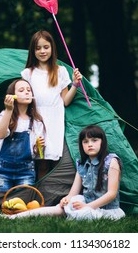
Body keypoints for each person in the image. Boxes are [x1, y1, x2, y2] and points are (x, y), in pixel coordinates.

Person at [0, 125, 125, 220]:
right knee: (61, 207)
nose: (90, 144)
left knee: (83, 213)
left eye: (94, 140)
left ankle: (79, 214)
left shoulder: (111, 161)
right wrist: (67, 199)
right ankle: (11, 217)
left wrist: (87, 207)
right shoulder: (83, 164)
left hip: (106, 210)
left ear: (102, 142)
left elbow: (112, 194)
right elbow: (73, 193)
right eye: (85, 141)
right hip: (86, 205)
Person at [21, 30, 83, 178]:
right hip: (37, 120)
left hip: (55, 119)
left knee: (55, 160)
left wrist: (75, 84)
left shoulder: (60, 71)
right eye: (38, 48)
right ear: (33, 51)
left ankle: (55, 196)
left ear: (52, 48)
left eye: (46, 47)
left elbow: (66, 101)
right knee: (41, 161)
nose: (42, 51)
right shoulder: (27, 73)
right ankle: (40, 196)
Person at [0, 79, 46, 196]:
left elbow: (37, 153)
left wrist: (39, 147)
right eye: (21, 90)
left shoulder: (36, 121)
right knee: (2, 203)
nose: (27, 92)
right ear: (12, 96)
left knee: (22, 203)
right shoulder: (4, 114)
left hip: (26, 170)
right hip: (3, 168)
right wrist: (9, 110)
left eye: (29, 90)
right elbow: (0, 134)